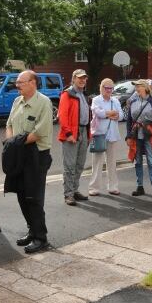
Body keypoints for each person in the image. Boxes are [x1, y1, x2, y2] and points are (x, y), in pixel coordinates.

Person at [4, 70, 53, 253]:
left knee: (34, 197)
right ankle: (32, 231)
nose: (17, 85)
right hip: (19, 154)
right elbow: (9, 125)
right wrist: (11, 142)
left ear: (33, 82)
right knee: (21, 195)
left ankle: (41, 238)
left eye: (21, 82)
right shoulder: (17, 101)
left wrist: (16, 143)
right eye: (17, 82)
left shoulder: (44, 103)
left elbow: (40, 132)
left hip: (36, 156)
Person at [58, 69, 91, 206]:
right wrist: (69, 134)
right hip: (72, 133)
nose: (82, 80)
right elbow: (63, 116)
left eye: (84, 78)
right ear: (73, 79)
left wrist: (89, 135)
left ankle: (74, 190)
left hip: (83, 132)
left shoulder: (83, 95)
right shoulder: (67, 94)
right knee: (70, 166)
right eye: (79, 78)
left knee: (79, 165)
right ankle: (68, 194)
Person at [125, 80, 152, 197]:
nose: (136, 88)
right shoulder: (133, 102)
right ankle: (140, 186)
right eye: (135, 86)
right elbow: (129, 121)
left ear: (145, 88)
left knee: (151, 161)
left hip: (148, 134)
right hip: (136, 134)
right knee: (138, 161)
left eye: (138, 86)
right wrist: (128, 136)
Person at [88, 78, 124, 196]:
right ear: (101, 88)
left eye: (111, 88)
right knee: (97, 163)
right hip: (99, 134)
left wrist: (108, 114)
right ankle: (94, 188)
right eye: (106, 88)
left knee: (112, 163)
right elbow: (98, 113)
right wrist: (111, 113)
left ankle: (113, 187)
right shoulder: (96, 100)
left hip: (112, 135)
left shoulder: (116, 101)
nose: (109, 90)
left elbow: (121, 115)